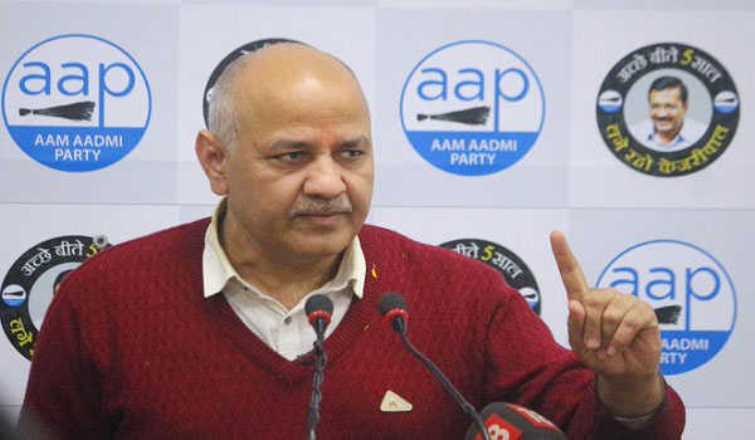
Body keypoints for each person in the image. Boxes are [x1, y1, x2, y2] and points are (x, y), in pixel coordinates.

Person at [20, 41, 685, 438]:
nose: (328, 183)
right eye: (292, 156)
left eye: (351, 153)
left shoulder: (461, 297)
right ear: (215, 162)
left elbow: (591, 429)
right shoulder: (107, 298)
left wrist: (630, 388)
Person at [630, 76, 706, 152]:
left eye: (669, 106)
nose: (662, 114)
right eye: (655, 106)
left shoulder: (703, 136)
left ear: (685, 107)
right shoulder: (633, 135)